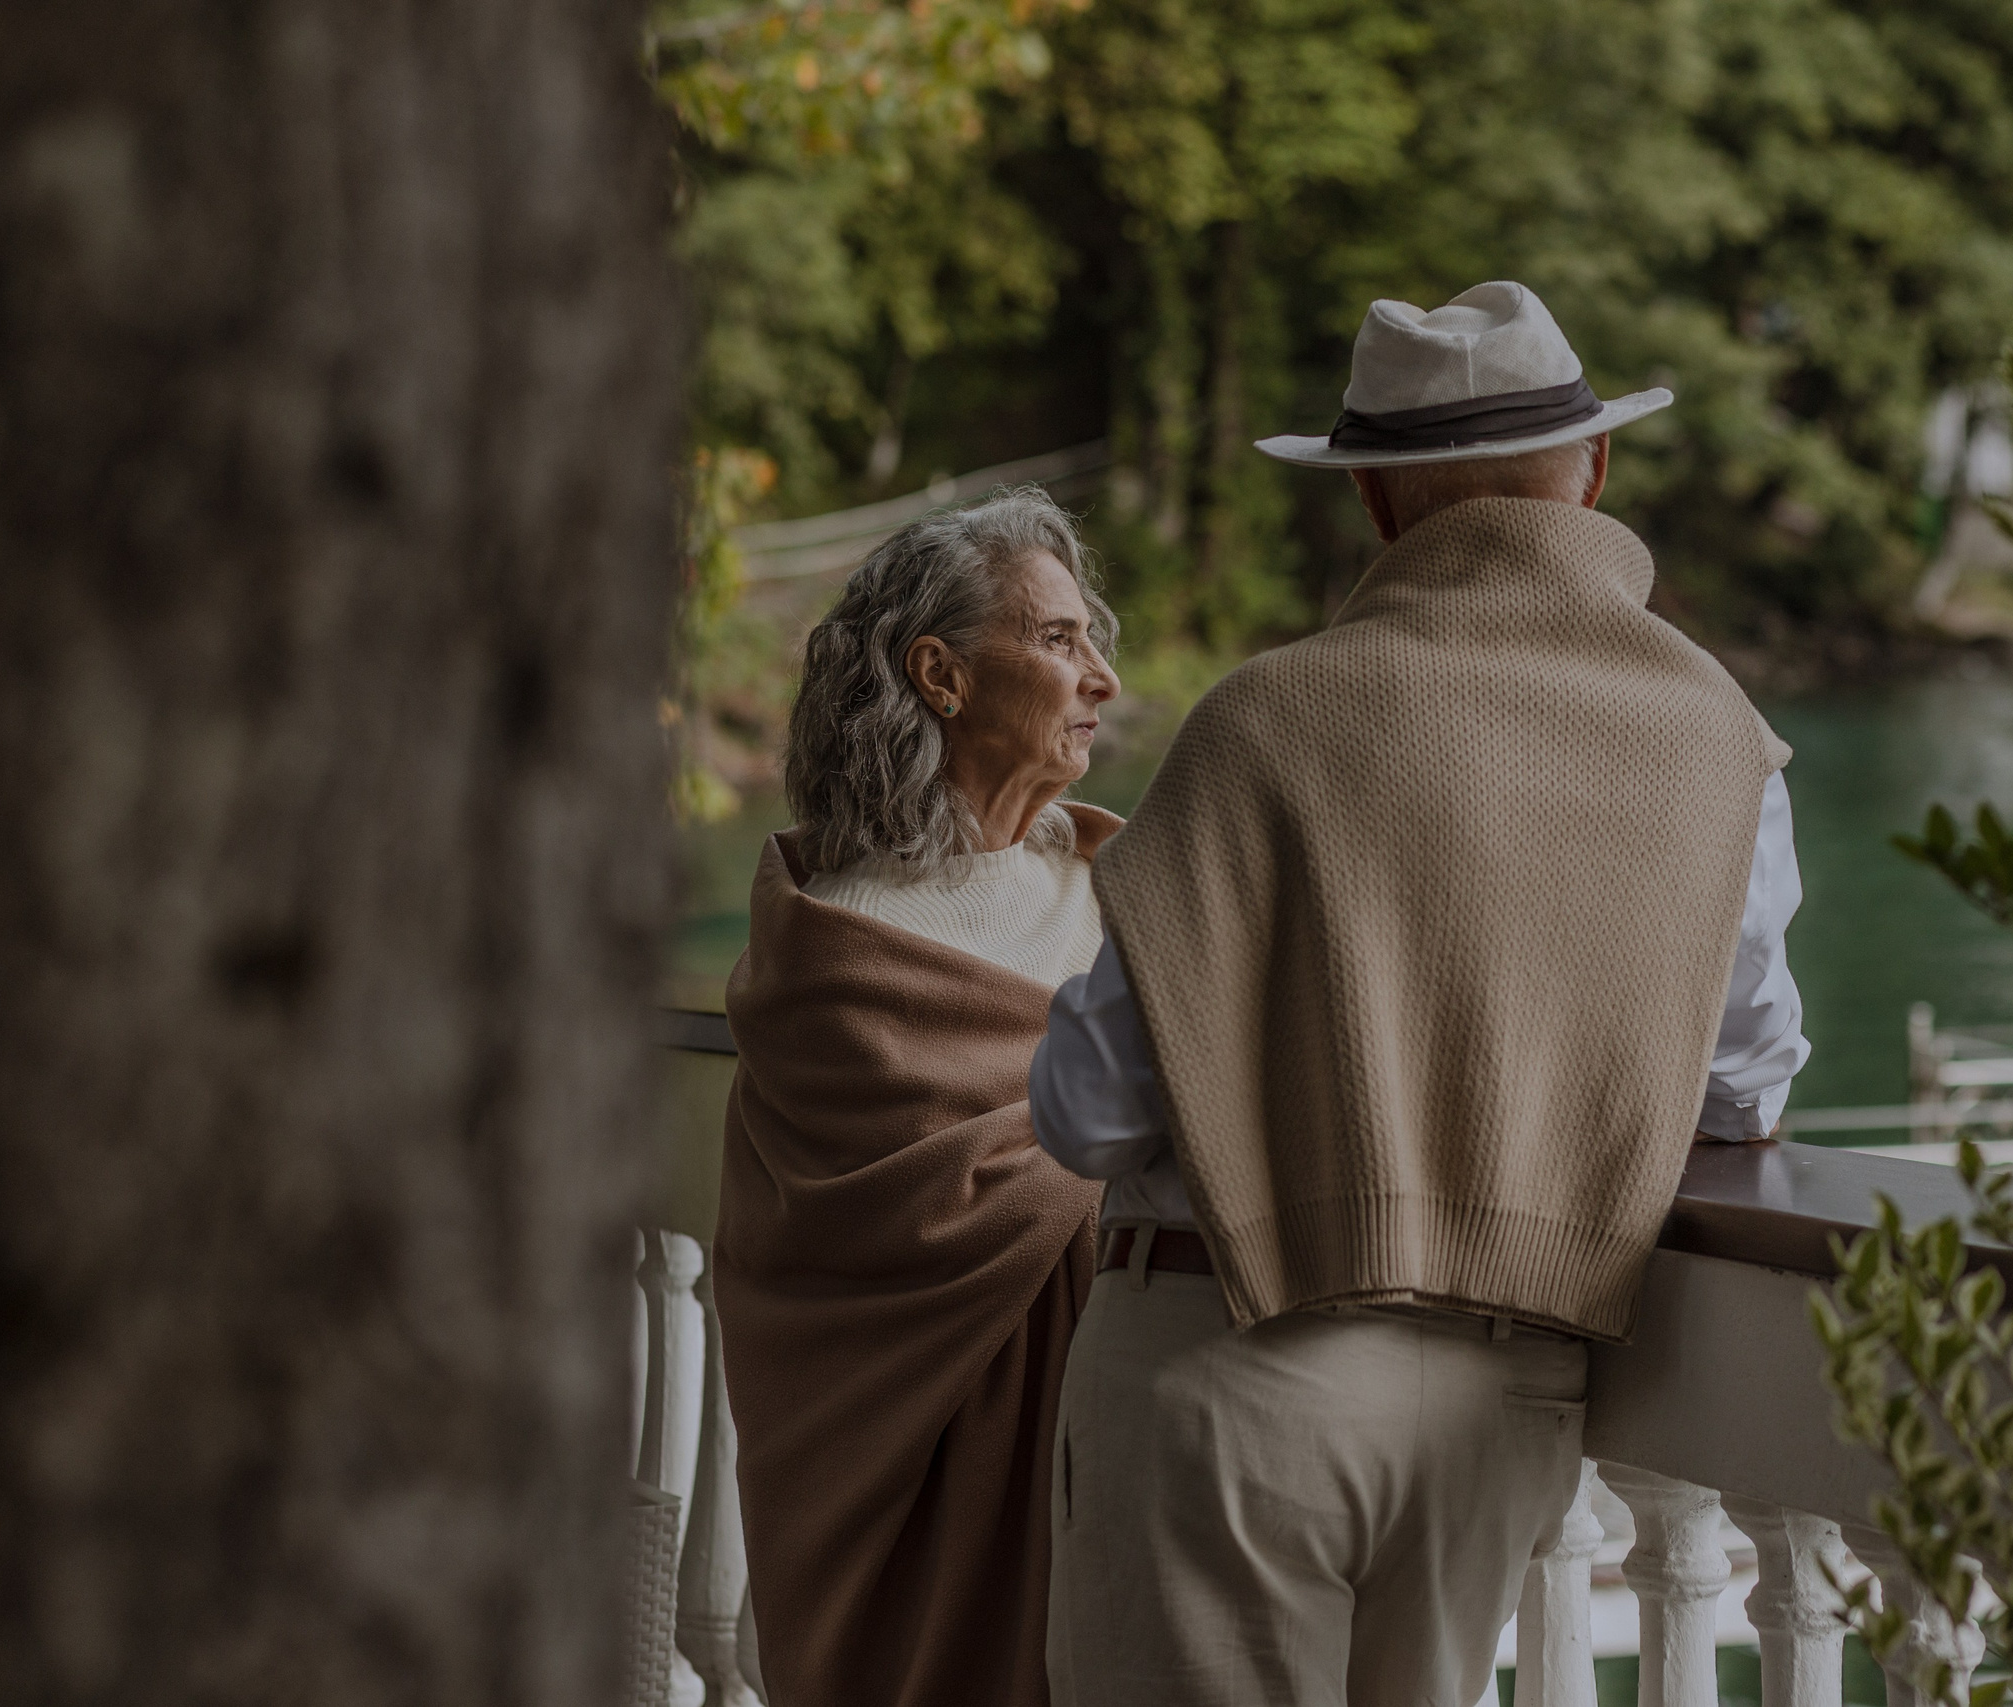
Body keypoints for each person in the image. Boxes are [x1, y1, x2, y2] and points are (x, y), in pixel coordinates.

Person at [1031, 282, 1810, 1706]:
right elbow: (1746, 1084)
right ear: (1595, 473)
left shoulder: (1263, 720)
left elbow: (1087, 1111)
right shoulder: (1718, 742)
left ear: (1377, 506)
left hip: (1231, 1369)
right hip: (1502, 1396)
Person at [710, 487, 1122, 1707]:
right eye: (1057, 640)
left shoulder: (1118, 884)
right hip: (886, 1497)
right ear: (939, 675)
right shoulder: (838, 957)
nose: (1100, 676)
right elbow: (866, 1249)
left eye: (1093, 638)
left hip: (1110, 1459)